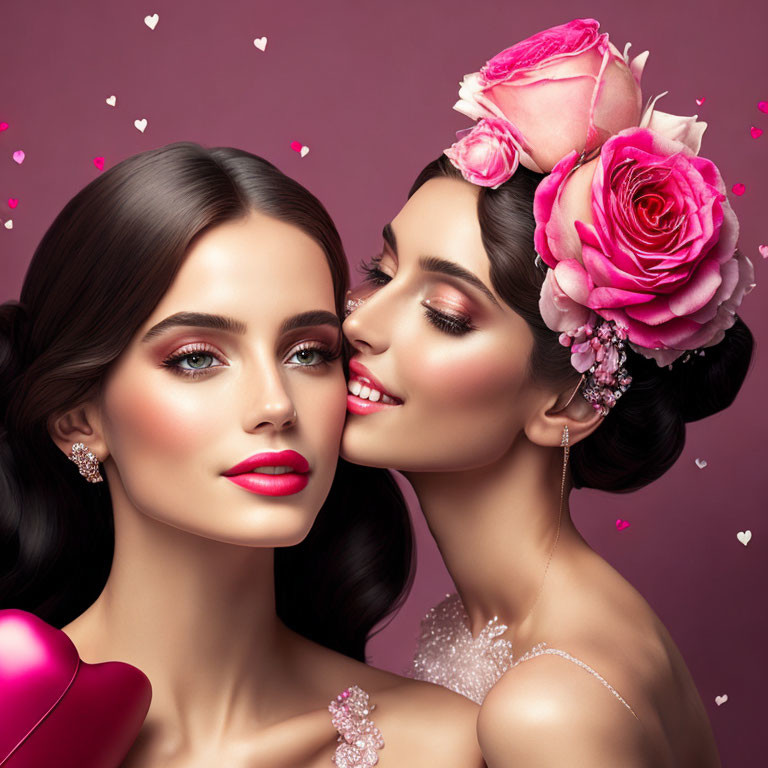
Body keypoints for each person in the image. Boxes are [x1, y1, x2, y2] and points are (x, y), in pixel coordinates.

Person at [340, 18, 755, 767]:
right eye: (379, 271)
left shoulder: (552, 705)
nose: (360, 322)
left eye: (444, 314)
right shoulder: (501, 627)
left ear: (571, 405)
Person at [0, 142, 482, 768]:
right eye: (197, 358)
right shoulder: (15, 712)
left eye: (308, 352)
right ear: (80, 421)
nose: (276, 404)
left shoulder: (444, 745)